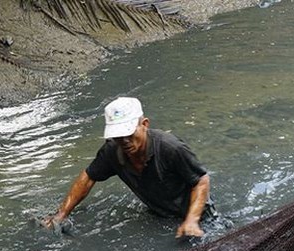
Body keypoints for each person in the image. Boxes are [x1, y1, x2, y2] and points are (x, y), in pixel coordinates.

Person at [43, 97, 212, 238]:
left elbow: (201, 181)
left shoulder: (170, 147)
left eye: (129, 134)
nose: (125, 141)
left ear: (144, 125)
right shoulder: (112, 151)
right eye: (118, 136)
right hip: (159, 215)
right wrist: (61, 214)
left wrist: (192, 219)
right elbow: (88, 177)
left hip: (198, 217)